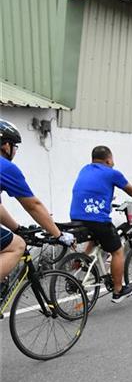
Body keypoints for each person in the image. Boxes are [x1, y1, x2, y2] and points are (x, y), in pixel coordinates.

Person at [69, 145, 132, 302]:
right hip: (97, 221)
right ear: (108, 159)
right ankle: (118, 290)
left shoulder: (85, 170)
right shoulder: (112, 173)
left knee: (94, 241)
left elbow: (91, 191)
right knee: (117, 251)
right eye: (112, 160)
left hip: (76, 217)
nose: (113, 163)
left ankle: (77, 265)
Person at [0, 119, 74, 282]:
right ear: (6, 145)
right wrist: (58, 234)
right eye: (15, 146)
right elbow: (33, 205)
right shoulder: (5, 167)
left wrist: (17, 228)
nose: (15, 151)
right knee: (17, 246)